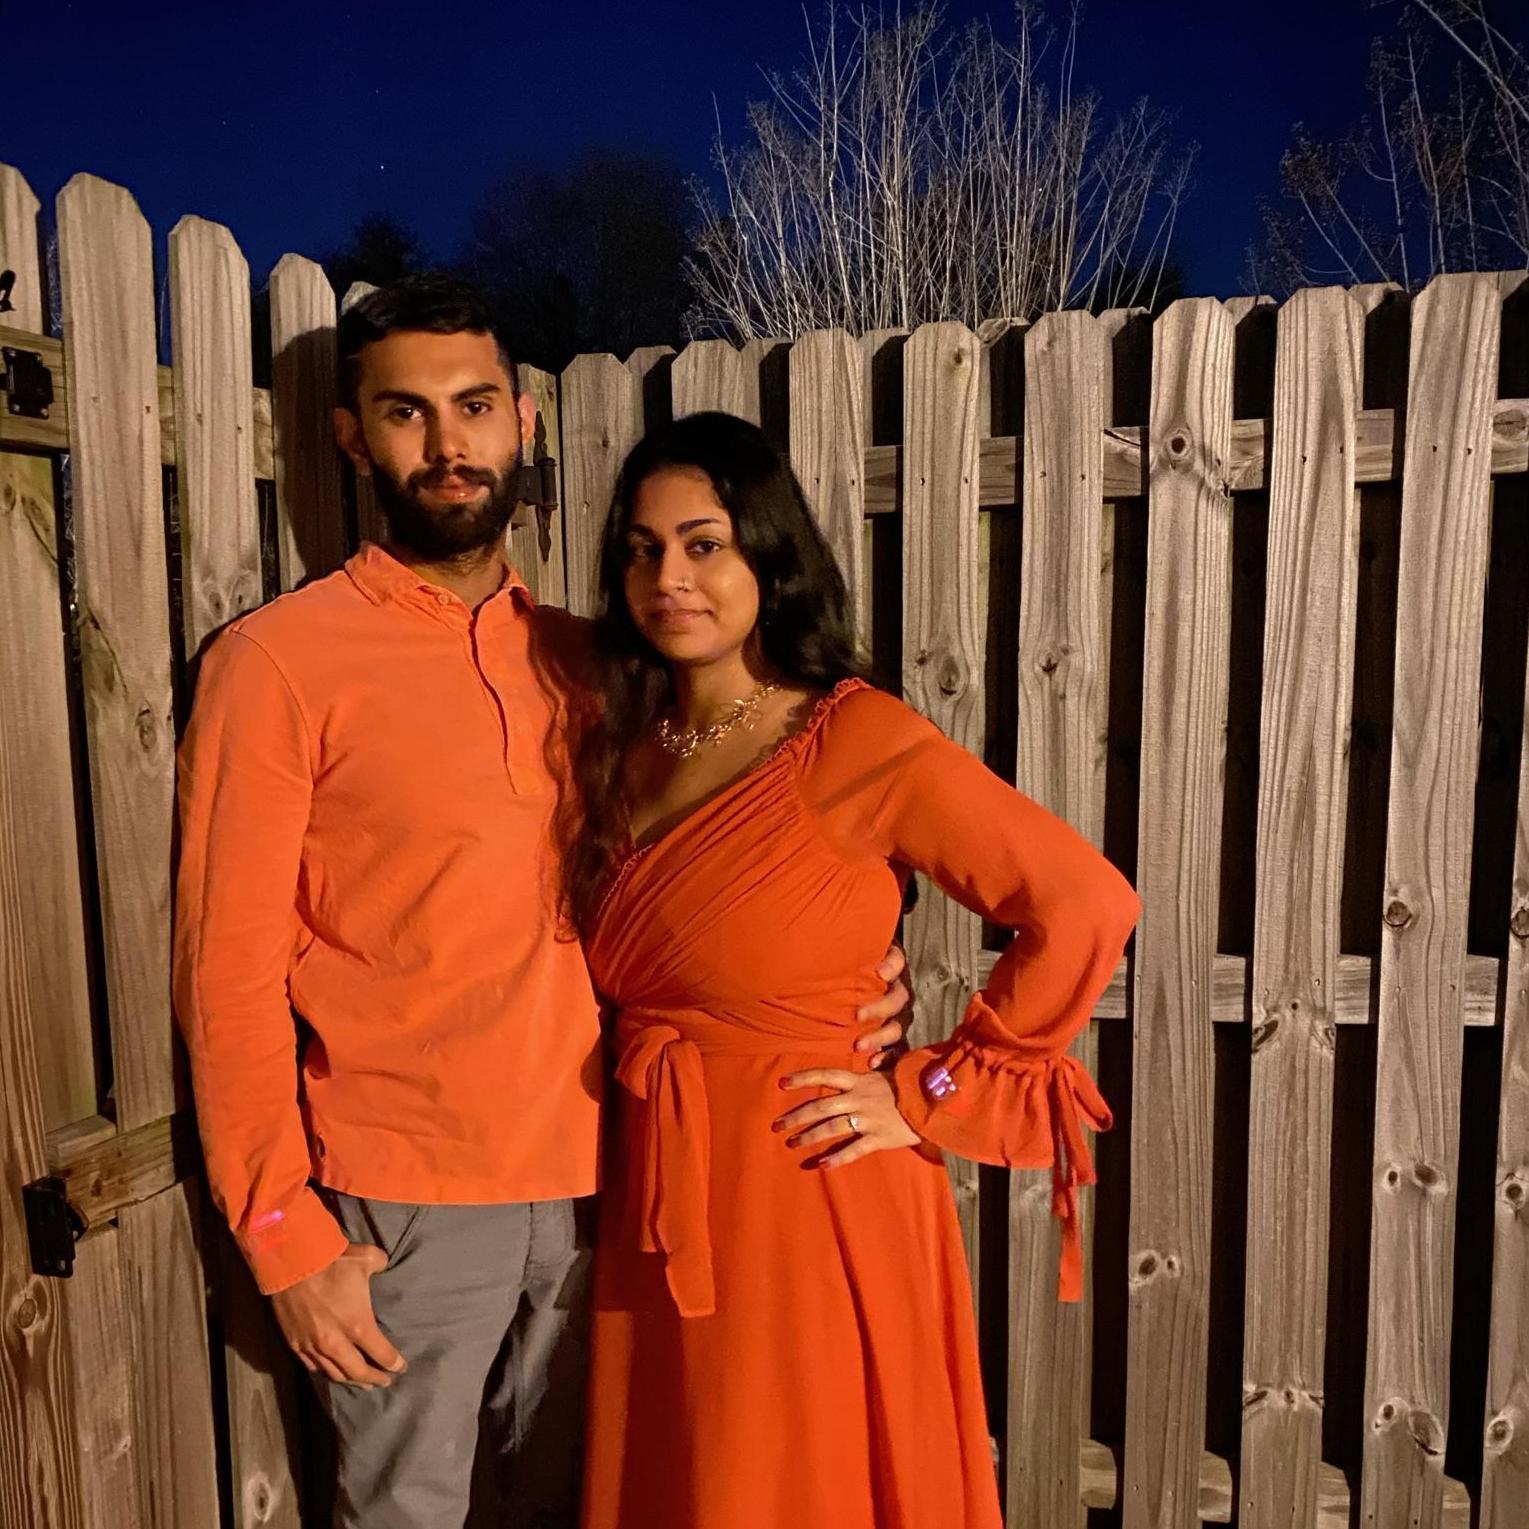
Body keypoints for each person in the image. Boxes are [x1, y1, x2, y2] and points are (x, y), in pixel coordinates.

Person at [171, 275, 909, 1529]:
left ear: (522, 420)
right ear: (352, 437)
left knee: (596, 1502)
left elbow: (726, 863)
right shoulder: (277, 662)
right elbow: (223, 971)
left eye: (473, 406)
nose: (446, 444)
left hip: (612, 1177)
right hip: (405, 1199)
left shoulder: (595, 659)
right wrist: (284, 1234)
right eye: (404, 412)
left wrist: (854, 981)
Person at [566, 411, 1141, 1529]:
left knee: (793, 1478)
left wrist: (930, 1089)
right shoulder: (622, 744)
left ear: (767, 556)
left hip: (806, 1178)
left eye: (702, 544)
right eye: (641, 549)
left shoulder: (851, 737)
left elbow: (1083, 902)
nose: (667, 577)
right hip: (661, 1179)